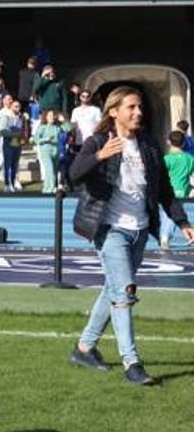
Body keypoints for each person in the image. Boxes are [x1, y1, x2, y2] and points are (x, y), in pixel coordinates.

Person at [68, 88, 194, 386]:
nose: (138, 112)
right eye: (131, 107)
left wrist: (182, 222)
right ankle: (132, 363)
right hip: (110, 229)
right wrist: (99, 156)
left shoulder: (148, 144)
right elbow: (73, 174)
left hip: (138, 231)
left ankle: (84, 348)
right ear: (114, 111)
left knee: (112, 291)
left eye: (140, 107)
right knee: (124, 293)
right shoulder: (98, 141)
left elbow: (163, 189)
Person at [162, 130, 194, 248]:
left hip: (169, 190)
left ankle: (165, 236)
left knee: (169, 214)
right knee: (175, 214)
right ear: (184, 143)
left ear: (169, 142)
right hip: (183, 190)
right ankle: (166, 236)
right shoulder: (190, 158)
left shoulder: (167, 159)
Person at [0, 97, 26, 192]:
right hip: (8, 144)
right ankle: (7, 184)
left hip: (17, 145)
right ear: (11, 107)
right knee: (7, 164)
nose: (17, 108)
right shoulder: (6, 117)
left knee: (15, 165)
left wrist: (22, 139)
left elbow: (23, 131)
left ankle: (12, 183)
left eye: (19, 107)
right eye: (15, 106)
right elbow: (2, 132)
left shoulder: (21, 118)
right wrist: (14, 134)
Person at [33, 110, 66, 194]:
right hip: (46, 149)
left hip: (55, 150)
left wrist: (63, 121)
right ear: (46, 117)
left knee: (54, 171)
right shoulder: (42, 127)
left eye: (53, 115)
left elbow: (68, 128)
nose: (52, 117)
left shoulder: (57, 127)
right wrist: (47, 139)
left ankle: (47, 189)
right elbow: (35, 139)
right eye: (50, 115)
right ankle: (51, 188)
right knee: (49, 169)